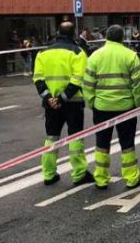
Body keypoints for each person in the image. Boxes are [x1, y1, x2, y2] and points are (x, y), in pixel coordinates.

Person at [83, 25, 140, 190]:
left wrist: (91, 102)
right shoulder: (130, 56)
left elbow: (87, 84)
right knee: (127, 143)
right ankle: (131, 178)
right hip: (126, 107)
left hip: (101, 107)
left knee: (102, 143)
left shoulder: (95, 56)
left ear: (107, 37)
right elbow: (138, 83)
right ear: (122, 38)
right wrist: (136, 104)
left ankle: (101, 178)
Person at [33, 22, 94, 186]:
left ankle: (49, 174)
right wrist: (62, 98)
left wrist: (48, 98)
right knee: (75, 137)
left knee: (52, 137)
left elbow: (38, 78)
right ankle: (79, 173)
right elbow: (78, 79)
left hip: (51, 104)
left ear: (57, 33)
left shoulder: (43, 52)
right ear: (73, 34)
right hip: (72, 102)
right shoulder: (77, 52)